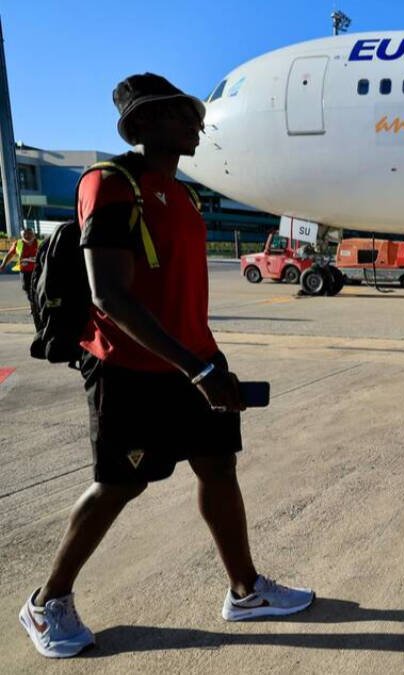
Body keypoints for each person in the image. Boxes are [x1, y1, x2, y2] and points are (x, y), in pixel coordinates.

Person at [18, 73, 313, 660]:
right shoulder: (110, 183)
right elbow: (109, 294)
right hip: (130, 366)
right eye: (179, 114)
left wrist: (202, 364)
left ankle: (245, 590)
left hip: (193, 358)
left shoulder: (182, 194)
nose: (194, 122)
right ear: (143, 124)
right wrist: (197, 371)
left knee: (218, 467)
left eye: (192, 113)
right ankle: (47, 602)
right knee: (119, 484)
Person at [3, 227, 39, 307]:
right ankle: (33, 305)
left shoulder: (39, 243)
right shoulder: (18, 243)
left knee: (36, 288)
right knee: (27, 288)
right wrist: (3, 265)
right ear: (22, 235)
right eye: (25, 234)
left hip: (37, 271)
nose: (28, 236)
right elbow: (10, 254)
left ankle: (36, 305)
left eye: (30, 234)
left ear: (34, 235)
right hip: (24, 271)